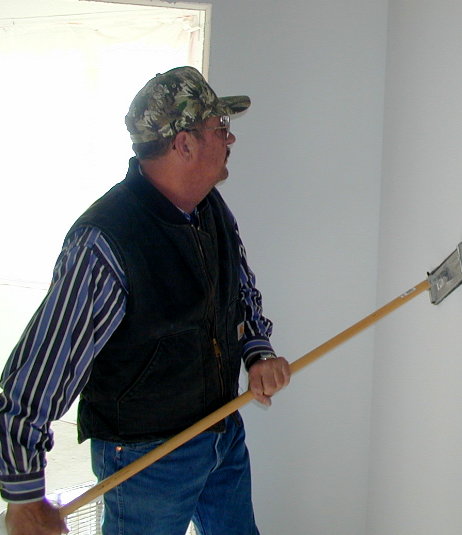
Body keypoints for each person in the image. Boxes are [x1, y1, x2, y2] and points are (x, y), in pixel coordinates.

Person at [0, 66, 291, 535]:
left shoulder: (209, 208)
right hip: (146, 458)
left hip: (221, 430)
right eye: (220, 126)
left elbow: (240, 290)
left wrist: (257, 352)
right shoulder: (107, 240)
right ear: (185, 144)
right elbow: (40, 373)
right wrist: (23, 494)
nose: (230, 138)